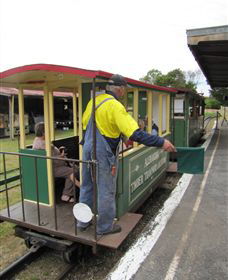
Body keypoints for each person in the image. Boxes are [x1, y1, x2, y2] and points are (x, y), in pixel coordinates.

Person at [78, 74, 176, 235]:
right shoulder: (115, 106)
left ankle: (82, 222)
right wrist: (161, 142)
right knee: (106, 189)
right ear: (120, 89)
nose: (124, 93)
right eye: (124, 90)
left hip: (87, 148)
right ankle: (104, 227)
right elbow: (135, 134)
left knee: (87, 186)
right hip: (103, 152)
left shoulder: (93, 102)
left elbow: (85, 126)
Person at [32, 122, 80, 203]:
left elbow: (52, 154)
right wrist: (61, 156)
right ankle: (67, 194)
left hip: (56, 165)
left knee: (75, 168)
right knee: (72, 171)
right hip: (51, 168)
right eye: (48, 130)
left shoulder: (42, 140)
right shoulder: (41, 144)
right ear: (43, 132)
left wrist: (59, 151)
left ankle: (76, 188)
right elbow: (49, 158)